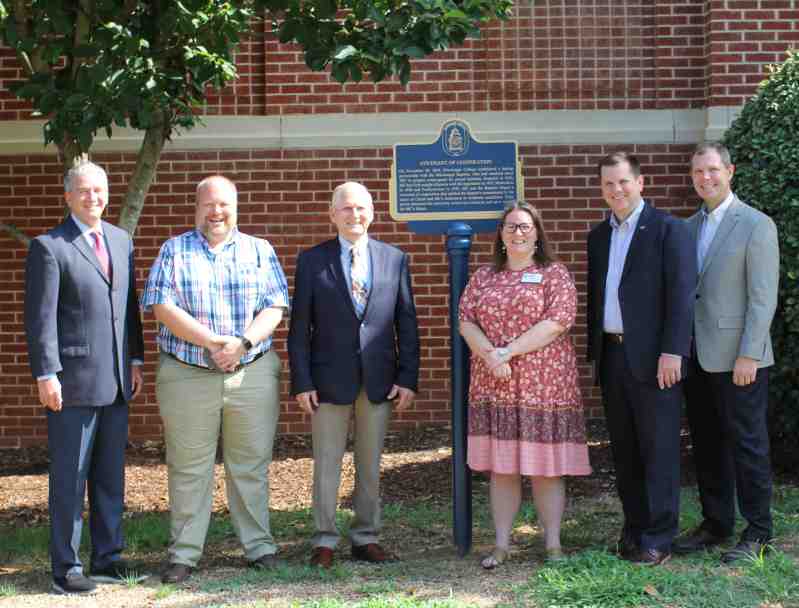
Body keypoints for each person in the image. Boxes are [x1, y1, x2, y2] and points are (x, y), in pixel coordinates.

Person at [141, 175, 289, 583]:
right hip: (187, 373)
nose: (216, 212)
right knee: (189, 466)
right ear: (196, 208)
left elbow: (276, 305)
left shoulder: (261, 250)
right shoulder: (174, 250)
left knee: (251, 465)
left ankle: (259, 548)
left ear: (236, 207)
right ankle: (184, 554)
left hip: (252, 371)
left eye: (223, 204)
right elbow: (161, 305)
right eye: (208, 205)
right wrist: (211, 342)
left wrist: (240, 343)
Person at [24, 161, 145, 594]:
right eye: (84, 191)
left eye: (100, 190)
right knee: (70, 480)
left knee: (111, 476)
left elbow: (128, 309)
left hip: (115, 381)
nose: (93, 197)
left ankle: (108, 559)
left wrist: (135, 360)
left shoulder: (120, 240)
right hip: (71, 383)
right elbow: (40, 319)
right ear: (68, 197)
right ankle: (66, 568)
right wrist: (46, 373)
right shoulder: (49, 246)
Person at [287, 181, 420, 569]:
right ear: (332, 215)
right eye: (345, 209)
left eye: (361, 208)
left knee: (370, 463)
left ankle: (366, 537)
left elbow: (406, 323)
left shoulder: (394, 259)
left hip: (380, 379)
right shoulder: (312, 261)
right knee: (326, 462)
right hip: (327, 380)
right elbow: (299, 329)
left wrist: (408, 377)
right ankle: (324, 540)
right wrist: (302, 381)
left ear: (373, 212)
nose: (354, 215)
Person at [459, 201, 591, 568]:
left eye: (525, 227)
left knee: (545, 468)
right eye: (511, 227)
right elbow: (465, 319)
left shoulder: (554, 274)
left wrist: (507, 352)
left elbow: (559, 321)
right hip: (495, 384)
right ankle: (501, 545)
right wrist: (489, 356)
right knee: (503, 469)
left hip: (544, 387)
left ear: (537, 233)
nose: (518, 233)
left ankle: (552, 544)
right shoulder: (484, 277)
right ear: (500, 235)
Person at [586, 152, 696, 566]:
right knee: (626, 449)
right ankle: (634, 529)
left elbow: (682, 297)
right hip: (613, 357)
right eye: (609, 184)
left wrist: (674, 351)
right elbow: (599, 298)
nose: (616, 190)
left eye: (623, 182)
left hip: (656, 359)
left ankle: (659, 536)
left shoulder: (669, 230)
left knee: (659, 448)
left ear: (640, 182)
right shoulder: (598, 237)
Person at [674, 142, 779, 564]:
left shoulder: (756, 224)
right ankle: (717, 524)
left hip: (741, 359)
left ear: (729, 171)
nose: (706, 178)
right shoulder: (686, 228)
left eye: (713, 170)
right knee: (707, 444)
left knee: (748, 445)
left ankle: (758, 531)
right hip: (697, 356)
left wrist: (749, 355)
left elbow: (762, 298)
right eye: (698, 172)